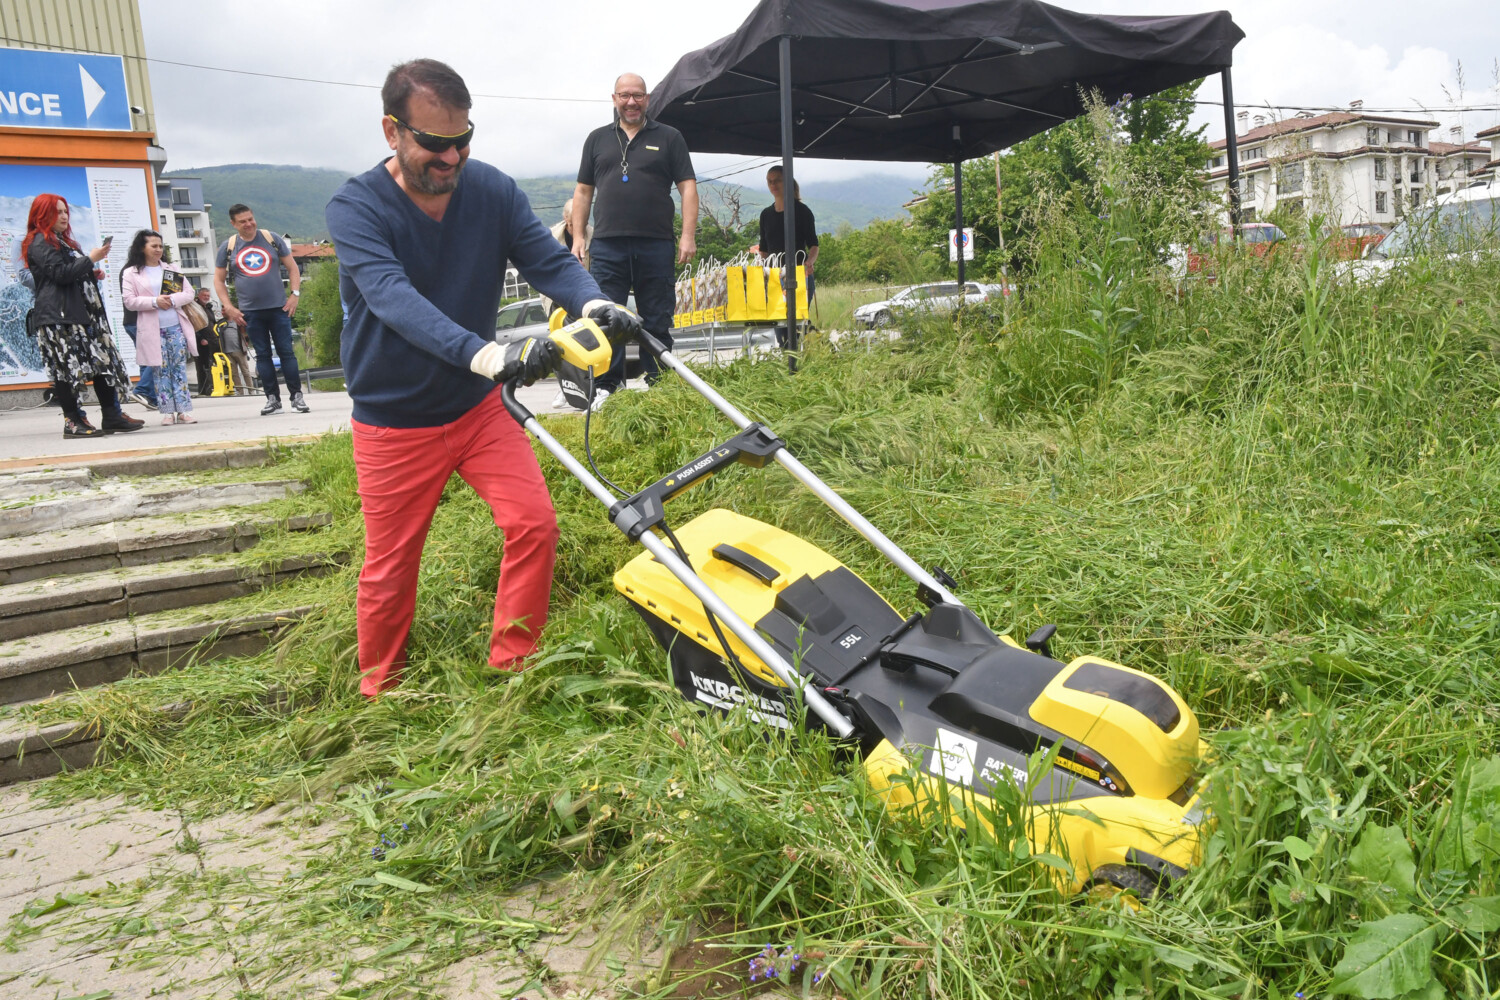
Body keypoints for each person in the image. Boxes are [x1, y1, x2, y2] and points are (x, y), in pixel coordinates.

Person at [325, 58, 642, 698]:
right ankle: (378, 690)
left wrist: (591, 302)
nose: (450, 159)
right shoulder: (355, 207)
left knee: (535, 524)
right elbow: (392, 298)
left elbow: (548, 260)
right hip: (394, 421)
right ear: (392, 131)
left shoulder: (492, 191)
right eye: (434, 145)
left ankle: (514, 666)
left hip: (476, 411)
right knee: (391, 566)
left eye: (463, 141)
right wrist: (490, 355)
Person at [570, 72, 697, 408]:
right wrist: (579, 237)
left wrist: (687, 236)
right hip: (608, 244)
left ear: (647, 99)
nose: (631, 102)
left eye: (637, 95)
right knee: (605, 316)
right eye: (624, 95)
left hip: (656, 243)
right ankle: (608, 387)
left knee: (656, 316)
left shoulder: (669, 137)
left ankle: (660, 385)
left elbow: (688, 187)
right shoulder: (597, 139)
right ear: (614, 99)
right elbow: (583, 191)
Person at [22, 194, 144, 439]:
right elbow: (59, 274)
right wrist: (90, 259)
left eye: (65, 211)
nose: (64, 216)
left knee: (103, 363)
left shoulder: (62, 241)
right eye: (57, 212)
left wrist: (90, 271)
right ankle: (73, 422)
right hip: (60, 318)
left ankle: (112, 416)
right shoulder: (39, 241)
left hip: (82, 316)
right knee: (67, 370)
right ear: (42, 215)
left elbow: (69, 273)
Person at [214, 204, 308, 414]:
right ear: (233, 224)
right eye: (242, 221)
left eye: (250, 219)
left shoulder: (270, 238)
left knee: (287, 353)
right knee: (263, 355)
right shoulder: (228, 246)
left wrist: (295, 295)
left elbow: (293, 268)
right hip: (250, 312)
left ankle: (297, 397)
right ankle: (272, 400)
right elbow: (218, 280)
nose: (248, 224)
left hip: (279, 308)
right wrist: (229, 307)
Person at [121, 230, 198, 424]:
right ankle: (167, 412)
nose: (158, 250)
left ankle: (183, 410)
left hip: (175, 325)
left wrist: (171, 300)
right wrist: (155, 301)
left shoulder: (170, 269)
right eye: (153, 246)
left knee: (178, 369)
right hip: (151, 328)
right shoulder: (132, 273)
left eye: (160, 246)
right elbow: (129, 301)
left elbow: (189, 293)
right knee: (160, 370)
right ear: (142, 248)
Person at [758, 165, 819, 358]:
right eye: (769, 181)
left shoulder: (802, 211)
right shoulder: (766, 215)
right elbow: (763, 249)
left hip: (800, 275)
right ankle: (789, 363)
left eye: (777, 180)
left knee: (797, 324)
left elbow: (814, 245)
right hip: (774, 277)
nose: (773, 184)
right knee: (779, 326)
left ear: (787, 182)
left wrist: (809, 262)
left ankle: (804, 360)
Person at [118, 270, 157, 408]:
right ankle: (144, 389)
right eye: (154, 246)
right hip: (142, 321)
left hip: (131, 321)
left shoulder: (126, 270)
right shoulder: (139, 271)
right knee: (158, 355)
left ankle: (150, 398)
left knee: (145, 360)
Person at [190, 287, 223, 395]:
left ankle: (213, 387)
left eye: (208, 296)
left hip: (213, 341)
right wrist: (200, 338)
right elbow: (193, 325)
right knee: (202, 367)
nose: (206, 298)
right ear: (199, 296)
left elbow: (213, 323)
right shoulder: (194, 308)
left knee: (213, 365)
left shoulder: (208, 308)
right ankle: (203, 390)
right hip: (201, 342)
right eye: (204, 296)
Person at [218, 317, 252, 395]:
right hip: (227, 351)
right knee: (234, 373)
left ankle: (251, 390)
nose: (223, 312)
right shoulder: (221, 323)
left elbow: (246, 332)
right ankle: (240, 391)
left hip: (239, 350)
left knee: (245, 371)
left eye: (224, 310)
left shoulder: (238, 321)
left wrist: (246, 341)